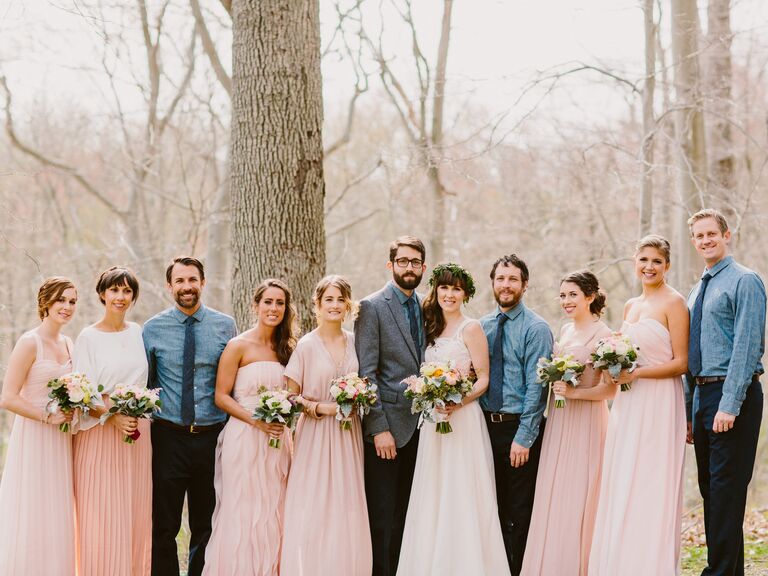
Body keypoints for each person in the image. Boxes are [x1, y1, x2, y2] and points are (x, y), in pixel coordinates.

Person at [396, 263, 510, 576]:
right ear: (436, 290)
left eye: (456, 289)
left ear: (466, 294)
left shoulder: (471, 328)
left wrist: (456, 402)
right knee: (434, 491)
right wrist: (431, 398)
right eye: (444, 288)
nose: (449, 294)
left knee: (462, 489)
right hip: (434, 422)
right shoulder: (429, 327)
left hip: (463, 420)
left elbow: (483, 378)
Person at [589, 235, 688, 575]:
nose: (649, 266)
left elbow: (682, 363)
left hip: (659, 402)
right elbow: (623, 350)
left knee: (650, 480)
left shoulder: (674, 303)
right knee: (623, 475)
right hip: (629, 405)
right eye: (643, 259)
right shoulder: (631, 306)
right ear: (635, 262)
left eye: (656, 261)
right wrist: (613, 368)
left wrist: (640, 373)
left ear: (667, 266)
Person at [143, 256, 237, 576]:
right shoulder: (152, 329)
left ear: (203, 283)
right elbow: (147, 384)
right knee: (164, 524)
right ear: (169, 286)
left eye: (192, 280)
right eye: (180, 281)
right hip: (167, 437)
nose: (187, 287)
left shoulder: (226, 326)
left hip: (212, 438)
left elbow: (232, 383)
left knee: (206, 523)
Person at [685, 209, 764, 576]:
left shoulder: (745, 281)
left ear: (726, 235)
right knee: (711, 492)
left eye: (711, 234)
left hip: (733, 396)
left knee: (726, 492)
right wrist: (690, 410)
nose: (705, 241)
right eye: (699, 236)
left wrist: (729, 405)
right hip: (702, 396)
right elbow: (690, 352)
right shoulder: (696, 289)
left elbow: (748, 347)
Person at [203, 279, 299, 576]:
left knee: (275, 508)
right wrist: (255, 420)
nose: (273, 308)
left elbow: (295, 393)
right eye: (268, 302)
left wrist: (283, 417)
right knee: (242, 510)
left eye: (279, 303)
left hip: (278, 440)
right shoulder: (238, 346)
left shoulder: (290, 348)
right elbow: (221, 396)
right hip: (244, 438)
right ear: (255, 306)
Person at [521, 270, 614, 576]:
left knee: (580, 494)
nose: (566, 301)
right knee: (556, 492)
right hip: (559, 420)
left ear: (590, 296)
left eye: (573, 294)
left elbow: (611, 389)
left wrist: (576, 392)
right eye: (562, 295)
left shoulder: (605, 335)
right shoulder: (563, 330)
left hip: (587, 422)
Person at [280, 275, 372, 576]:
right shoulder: (306, 346)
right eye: (328, 299)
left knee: (346, 506)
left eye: (340, 299)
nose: (335, 305)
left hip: (348, 436)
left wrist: (357, 400)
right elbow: (290, 396)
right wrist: (319, 407)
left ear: (349, 305)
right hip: (315, 436)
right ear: (317, 305)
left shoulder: (356, 342)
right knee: (314, 503)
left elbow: (368, 382)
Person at [72, 266, 152, 575]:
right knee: (102, 514)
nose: (120, 297)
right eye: (114, 290)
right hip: (100, 432)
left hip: (137, 432)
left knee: (133, 513)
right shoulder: (88, 337)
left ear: (133, 297)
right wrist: (111, 416)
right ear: (102, 295)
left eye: (127, 291)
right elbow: (82, 393)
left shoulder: (137, 332)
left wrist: (133, 413)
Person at [355, 235, 425, 576]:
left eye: (415, 262)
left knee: (408, 517)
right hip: (387, 432)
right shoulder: (372, 307)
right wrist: (378, 427)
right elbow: (366, 373)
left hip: (423, 430)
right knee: (382, 519)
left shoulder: (428, 306)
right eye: (403, 261)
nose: (408, 267)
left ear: (423, 268)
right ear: (391, 265)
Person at [480, 254, 553, 576]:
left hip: (518, 430)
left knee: (518, 511)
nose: (505, 285)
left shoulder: (536, 328)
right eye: (500, 279)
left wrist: (524, 438)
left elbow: (538, 388)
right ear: (492, 283)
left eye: (512, 280)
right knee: (489, 508)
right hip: (483, 428)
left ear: (524, 285)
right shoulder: (480, 327)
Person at [0, 277, 77, 575]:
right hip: (34, 434)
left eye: (72, 301)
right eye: (61, 300)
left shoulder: (69, 343)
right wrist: (48, 416)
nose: (67, 307)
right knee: (33, 506)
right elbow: (7, 397)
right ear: (45, 301)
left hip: (61, 439)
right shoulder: (29, 341)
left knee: (56, 510)